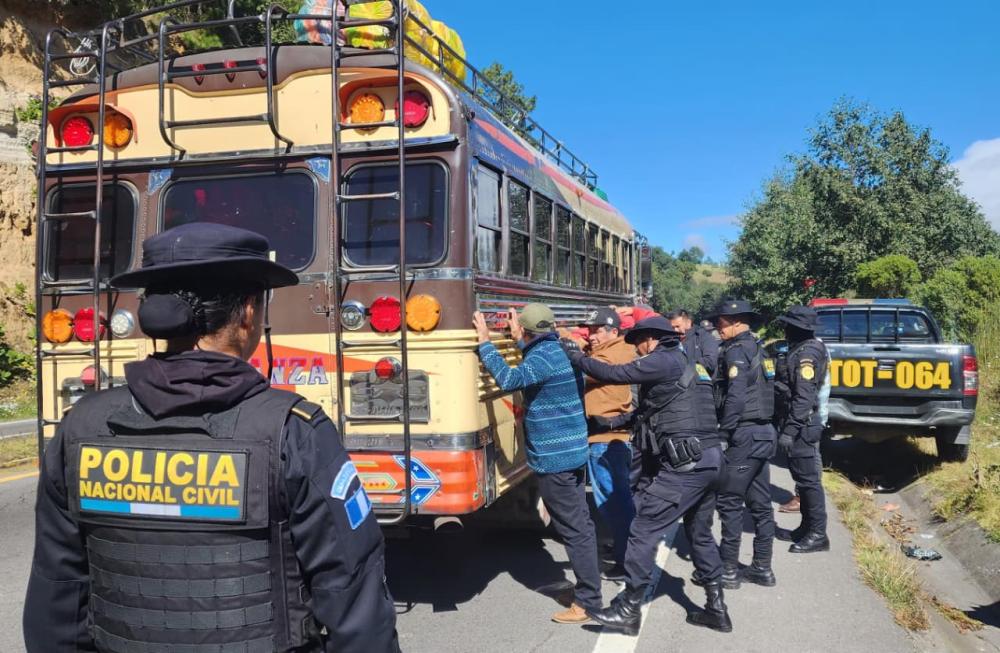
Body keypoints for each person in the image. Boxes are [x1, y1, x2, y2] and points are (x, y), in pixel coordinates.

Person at [23, 223, 399, 653]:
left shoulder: (81, 428)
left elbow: (56, 605)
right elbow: (357, 608)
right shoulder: (295, 431)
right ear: (248, 314)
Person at [566, 316, 731, 635]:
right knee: (699, 533)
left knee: (642, 529)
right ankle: (717, 609)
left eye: (638, 342)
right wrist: (611, 424)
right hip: (711, 460)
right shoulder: (689, 362)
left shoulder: (662, 359)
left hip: (685, 465)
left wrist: (576, 357)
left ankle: (628, 609)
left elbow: (615, 374)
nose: (638, 351)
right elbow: (652, 411)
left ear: (651, 338)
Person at [472, 303, 601, 624]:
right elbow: (534, 364)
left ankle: (588, 601)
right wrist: (519, 339)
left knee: (575, 530)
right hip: (571, 453)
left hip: (555, 459)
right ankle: (588, 591)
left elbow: (508, 379)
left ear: (528, 332)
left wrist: (486, 342)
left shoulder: (542, 357)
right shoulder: (557, 350)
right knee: (580, 525)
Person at [707, 299, 777, 589]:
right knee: (761, 504)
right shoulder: (759, 349)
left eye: (720, 323)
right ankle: (762, 567)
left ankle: (728, 570)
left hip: (744, 434)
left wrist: (724, 433)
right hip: (764, 433)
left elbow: (735, 396)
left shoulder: (736, 351)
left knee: (730, 502)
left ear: (736, 321)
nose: (717, 328)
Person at [577, 307, 636, 580]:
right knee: (618, 498)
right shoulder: (621, 349)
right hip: (612, 438)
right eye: (589, 330)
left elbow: (583, 371)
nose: (591, 335)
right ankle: (626, 550)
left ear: (614, 330)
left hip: (604, 439)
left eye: (597, 330)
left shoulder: (609, 355)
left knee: (612, 502)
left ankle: (627, 560)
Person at [773, 305, 831, 553]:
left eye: (788, 325)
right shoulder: (799, 349)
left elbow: (804, 398)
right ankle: (806, 527)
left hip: (803, 427)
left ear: (797, 328)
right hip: (799, 425)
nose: (784, 330)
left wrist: (790, 430)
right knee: (802, 480)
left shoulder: (807, 354)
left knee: (809, 483)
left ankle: (818, 534)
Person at [667, 308, 721, 376]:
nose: (675, 330)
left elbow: (710, 362)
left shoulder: (704, 337)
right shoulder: (670, 340)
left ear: (688, 322)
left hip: (700, 382)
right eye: (672, 327)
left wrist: (686, 367)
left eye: (677, 326)